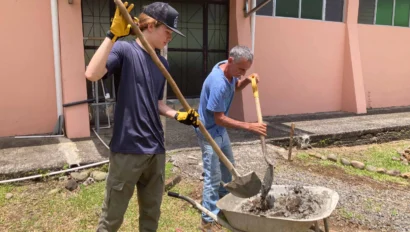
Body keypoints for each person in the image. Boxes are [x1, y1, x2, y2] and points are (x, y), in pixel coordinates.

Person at [85, 2, 199, 232]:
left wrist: (179, 115)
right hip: (128, 148)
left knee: (151, 216)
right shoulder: (125, 50)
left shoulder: (162, 63)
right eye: (167, 32)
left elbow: (156, 103)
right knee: (112, 218)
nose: (170, 38)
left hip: (155, 150)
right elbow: (92, 74)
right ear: (150, 25)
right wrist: (112, 35)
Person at [195, 45, 267, 231]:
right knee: (213, 175)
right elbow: (219, 119)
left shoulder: (228, 70)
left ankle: (222, 205)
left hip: (219, 131)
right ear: (231, 61)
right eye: (242, 70)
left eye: (246, 70)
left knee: (229, 169)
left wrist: (247, 81)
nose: (243, 73)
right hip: (209, 131)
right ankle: (207, 219)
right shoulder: (217, 82)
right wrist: (249, 126)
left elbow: (234, 87)